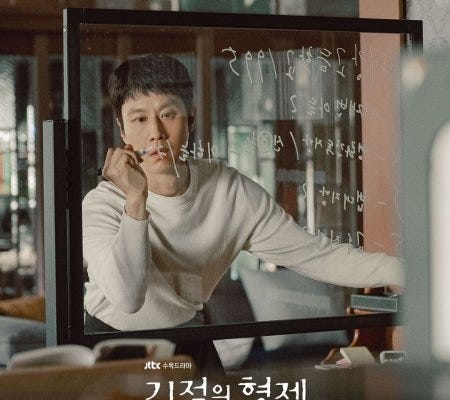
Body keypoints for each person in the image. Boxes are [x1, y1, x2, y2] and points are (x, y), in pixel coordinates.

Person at [82, 53, 404, 336]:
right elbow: (128, 298)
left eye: (168, 114)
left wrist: (401, 271)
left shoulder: (228, 189)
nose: (155, 132)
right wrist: (135, 200)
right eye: (139, 119)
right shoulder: (101, 206)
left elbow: (315, 255)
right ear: (122, 130)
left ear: (190, 118)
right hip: (110, 341)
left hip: (186, 334)